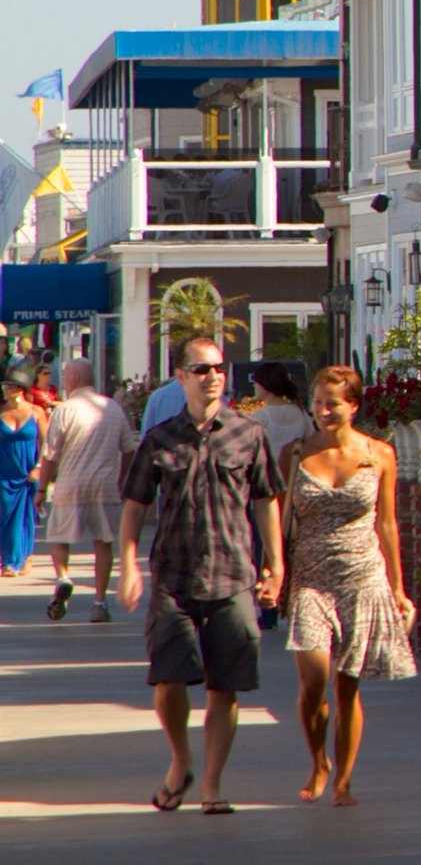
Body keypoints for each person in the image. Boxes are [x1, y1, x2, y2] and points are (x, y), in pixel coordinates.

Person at [116, 336, 282, 816]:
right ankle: (181, 759)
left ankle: (212, 784)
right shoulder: (161, 439)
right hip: (174, 576)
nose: (212, 376)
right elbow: (135, 506)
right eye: (201, 368)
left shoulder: (249, 435)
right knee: (168, 681)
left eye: (218, 368)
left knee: (224, 687)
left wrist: (276, 564)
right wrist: (128, 566)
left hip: (233, 576)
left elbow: (267, 500)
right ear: (182, 376)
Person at [282, 365, 414, 806]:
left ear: (353, 406)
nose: (323, 411)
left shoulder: (380, 455)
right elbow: (278, 520)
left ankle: (343, 780)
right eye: (317, 403)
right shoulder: (295, 453)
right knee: (313, 683)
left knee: (346, 685)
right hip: (310, 576)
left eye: (333, 404)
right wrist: (273, 570)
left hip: (362, 575)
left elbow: (388, 525)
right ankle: (318, 761)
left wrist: (397, 588)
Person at [35, 358, 135, 622]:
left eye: (65, 377)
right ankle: (100, 603)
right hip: (105, 485)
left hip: (71, 484)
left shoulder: (65, 410)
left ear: (74, 380)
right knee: (104, 543)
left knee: (58, 537)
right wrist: (122, 480)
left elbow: (51, 455)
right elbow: (129, 449)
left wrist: (42, 489)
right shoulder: (113, 408)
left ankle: (64, 576)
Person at [247, 363, 312, 632]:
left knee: (263, 549)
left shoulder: (259, 418)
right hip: (296, 491)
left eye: (257, 382)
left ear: (266, 385)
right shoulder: (303, 416)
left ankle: (268, 607)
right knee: (294, 547)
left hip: (266, 492)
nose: (254, 387)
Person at [0, 366, 42, 575]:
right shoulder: (0, 411)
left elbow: (48, 444)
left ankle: (21, 558)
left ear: (19, 389)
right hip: (4, 471)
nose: (5, 389)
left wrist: (40, 467)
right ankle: (7, 558)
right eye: (5, 385)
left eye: (9, 386)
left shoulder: (36, 412)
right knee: (4, 515)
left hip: (27, 471)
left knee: (25, 516)